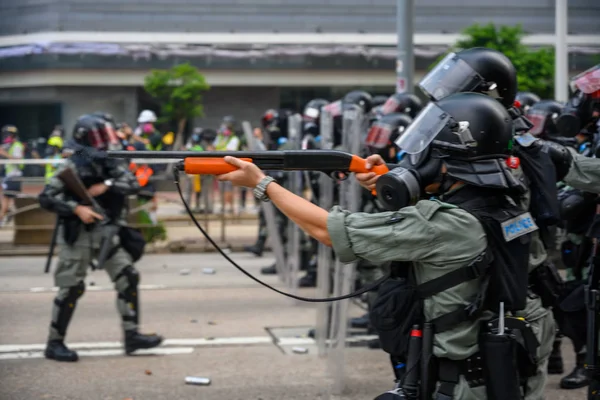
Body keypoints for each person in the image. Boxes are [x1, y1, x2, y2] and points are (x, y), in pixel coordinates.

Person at [218, 92, 533, 399]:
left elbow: (328, 230)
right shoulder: (507, 202)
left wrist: (262, 184)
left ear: (450, 158)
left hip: (455, 380)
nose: (416, 161)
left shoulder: (445, 223)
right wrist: (387, 179)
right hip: (495, 361)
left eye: (426, 153)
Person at [38, 114, 163, 362]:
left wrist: (106, 184)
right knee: (71, 288)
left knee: (128, 277)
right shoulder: (72, 165)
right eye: (99, 136)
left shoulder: (110, 162)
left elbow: (132, 183)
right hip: (79, 236)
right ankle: (55, 343)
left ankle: (132, 336)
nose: (105, 141)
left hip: (107, 233)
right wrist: (76, 208)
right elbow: (46, 197)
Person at [214, 116, 240, 214]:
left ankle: (230, 207)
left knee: (229, 188)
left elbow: (231, 150)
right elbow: (214, 147)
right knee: (220, 188)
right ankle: (222, 206)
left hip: (229, 167)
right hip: (219, 166)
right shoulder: (220, 137)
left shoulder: (234, 138)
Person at [0, 125, 24, 225]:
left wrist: (4, 153)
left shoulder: (17, 145)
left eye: (7, 135)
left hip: (14, 177)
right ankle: (9, 212)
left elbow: (17, 160)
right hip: (9, 176)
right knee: (6, 198)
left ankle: (3, 217)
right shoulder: (10, 146)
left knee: (6, 200)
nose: (5, 138)